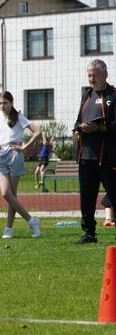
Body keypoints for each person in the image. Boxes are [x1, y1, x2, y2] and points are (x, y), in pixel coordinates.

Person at [0, 91, 42, 239]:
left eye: (5, 103)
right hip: (1, 155)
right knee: (6, 194)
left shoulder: (19, 118)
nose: (2, 105)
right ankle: (31, 220)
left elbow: (37, 132)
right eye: (0, 103)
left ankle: (8, 229)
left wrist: (24, 147)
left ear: (11, 103)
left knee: (11, 195)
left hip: (15, 156)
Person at [73, 59, 116, 244]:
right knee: (87, 198)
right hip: (86, 157)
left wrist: (99, 128)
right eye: (89, 75)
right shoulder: (87, 96)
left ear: (105, 75)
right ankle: (89, 233)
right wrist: (79, 128)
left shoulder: (113, 95)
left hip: (108, 157)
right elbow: (77, 121)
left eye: (95, 75)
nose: (91, 78)